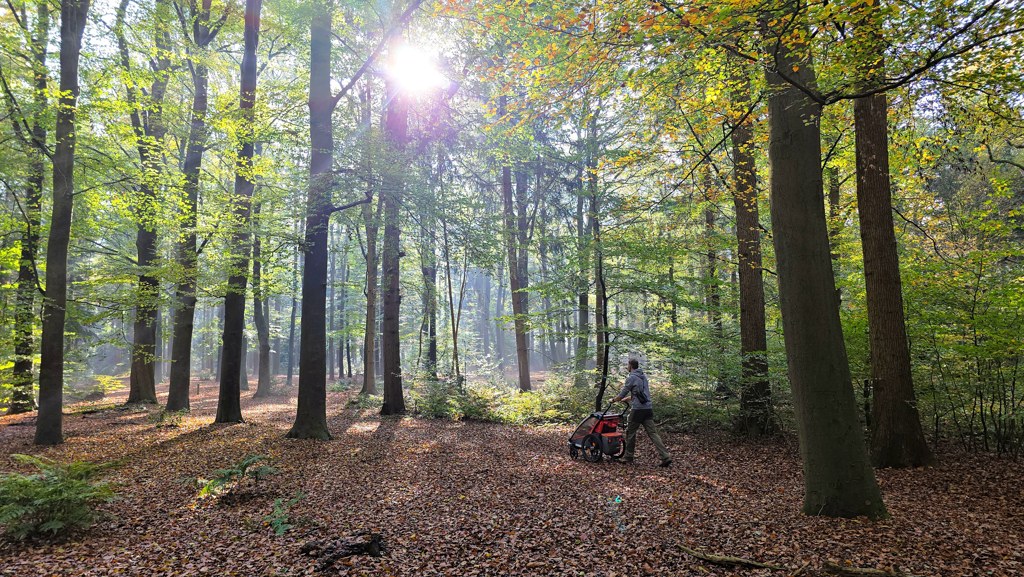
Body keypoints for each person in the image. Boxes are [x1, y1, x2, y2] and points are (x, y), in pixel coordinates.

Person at [611, 359, 672, 467]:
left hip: (637, 410)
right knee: (653, 433)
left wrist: (614, 400)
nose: (627, 367)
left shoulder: (631, 378)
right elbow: (642, 394)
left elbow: (622, 392)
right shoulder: (643, 377)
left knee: (630, 432)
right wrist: (629, 398)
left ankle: (628, 457)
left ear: (631, 366)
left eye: (627, 365)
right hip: (648, 409)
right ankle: (665, 456)